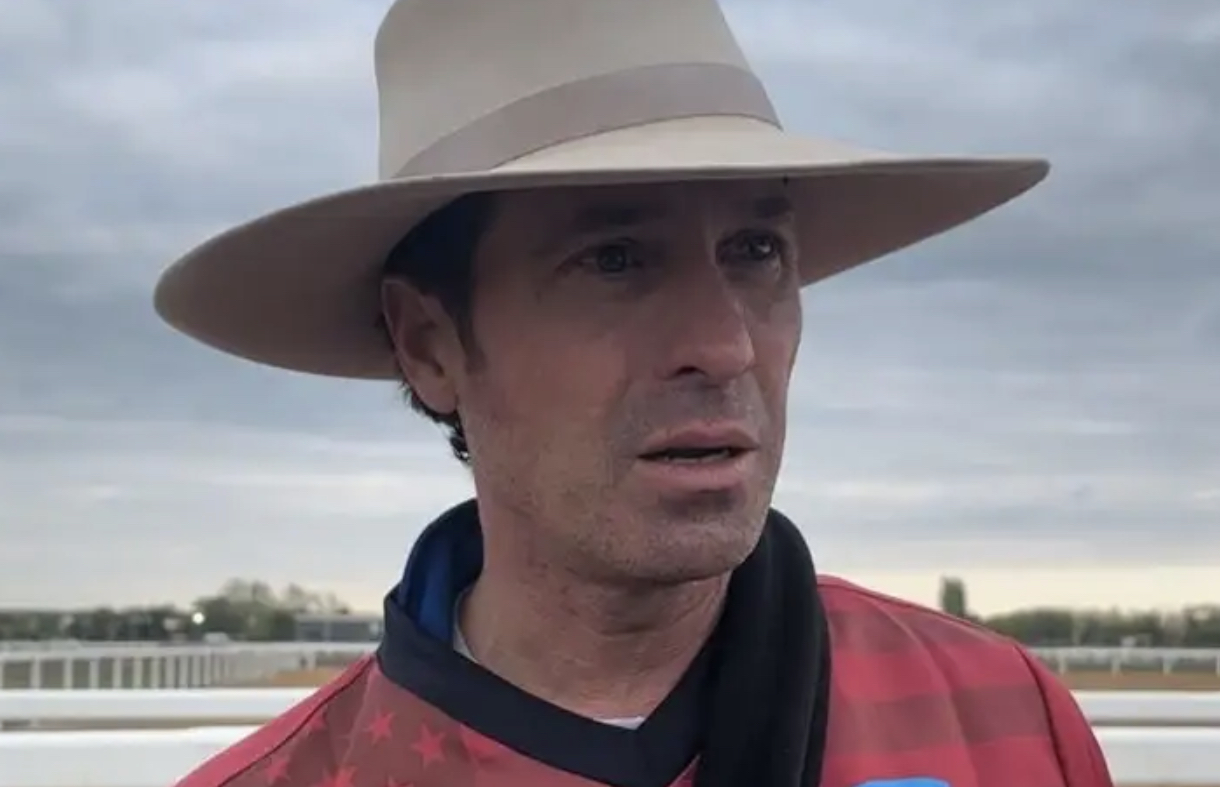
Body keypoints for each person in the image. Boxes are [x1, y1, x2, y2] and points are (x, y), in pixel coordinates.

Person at [156, 0, 1114, 785]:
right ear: (429, 343)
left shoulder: (1004, 721)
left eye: (756, 250)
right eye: (613, 259)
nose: (724, 345)